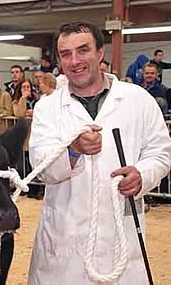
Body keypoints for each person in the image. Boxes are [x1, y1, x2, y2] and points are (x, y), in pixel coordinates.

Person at [28, 21, 171, 284]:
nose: (75, 61)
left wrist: (142, 175)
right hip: (63, 246)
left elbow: (161, 152)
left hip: (121, 241)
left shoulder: (137, 100)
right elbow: (40, 165)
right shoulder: (47, 108)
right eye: (66, 54)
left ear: (100, 53)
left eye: (83, 50)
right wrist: (73, 151)